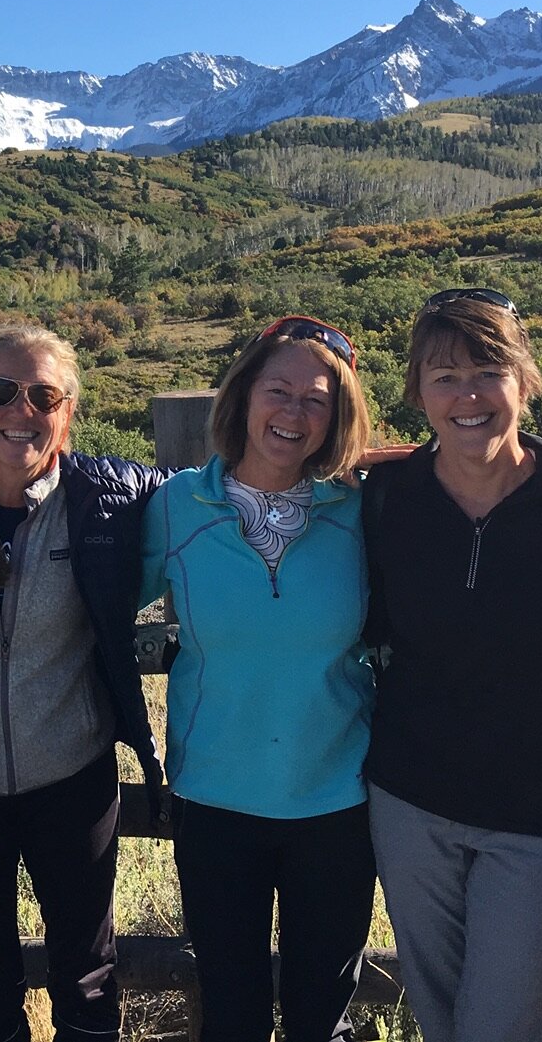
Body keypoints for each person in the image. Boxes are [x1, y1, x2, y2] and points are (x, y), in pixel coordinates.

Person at [0, 321, 166, 1042]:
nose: (22, 408)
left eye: (43, 394)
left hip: (69, 777)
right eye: (1, 390)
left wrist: (373, 466)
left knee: (84, 970)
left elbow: (225, 484)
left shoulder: (106, 497)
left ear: (67, 410)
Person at [362, 289, 542, 1042]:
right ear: (417, 394)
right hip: (410, 801)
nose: (467, 395)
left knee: (497, 1025)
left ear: (523, 379)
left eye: (487, 370)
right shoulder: (386, 499)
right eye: (442, 375)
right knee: (437, 1014)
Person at [139, 314, 376, 1042]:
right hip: (216, 801)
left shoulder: (365, 509)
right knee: (230, 1010)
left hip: (337, 802)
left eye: (317, 398)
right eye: (278, 389)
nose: (294, 411)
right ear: (242, 394)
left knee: (321, 1017)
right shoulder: (176, 505)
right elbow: (89, 608)